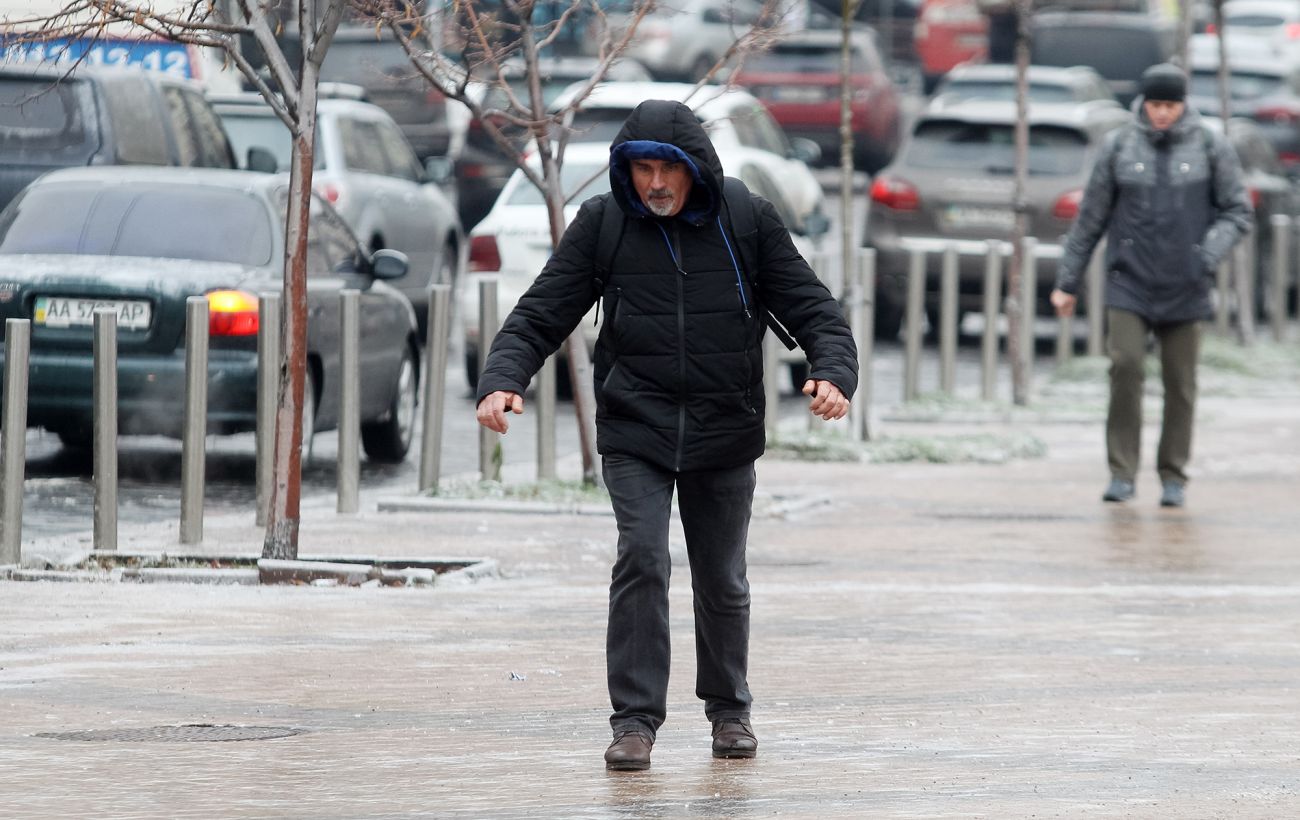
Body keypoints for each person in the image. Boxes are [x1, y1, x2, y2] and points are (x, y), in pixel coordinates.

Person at [475, 99, 858, 770]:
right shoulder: (605, 223)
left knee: (722, 578)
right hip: (636, 425)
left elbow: (815, 309)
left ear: (695, 169)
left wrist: (833, 372)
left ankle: (729, 711)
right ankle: (634, 722)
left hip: (724, 424)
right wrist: (504, 377)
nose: (655, 184)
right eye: (643, 169)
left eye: (668, 170)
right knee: (643, 558)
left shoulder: (745, 218)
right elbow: (540, 313)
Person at [1050, 63, 1253, 508]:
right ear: (1144, 103)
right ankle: (1121, 472)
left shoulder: (1210, 145)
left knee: (1180, 383)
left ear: (1183, 105)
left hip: (1186, 284)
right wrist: (1068, 282)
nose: (1163, 113)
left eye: (1171, 105)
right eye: (1156, 104)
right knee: (1125, 368)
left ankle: (1173, 475)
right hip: (1130, 281)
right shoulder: (1119, 146)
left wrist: (1205, 256)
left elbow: (1237, 211)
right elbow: (1090, 220)